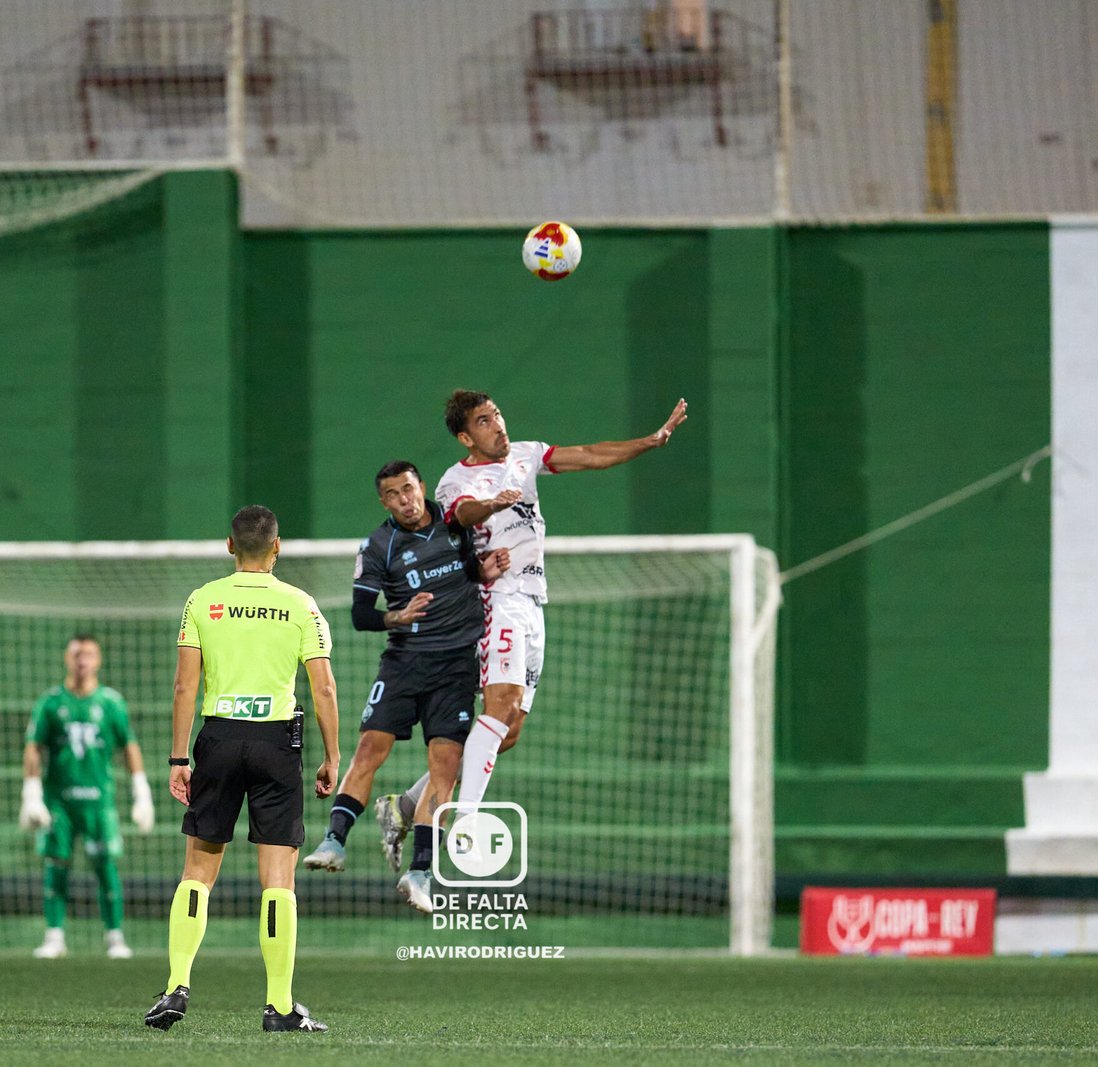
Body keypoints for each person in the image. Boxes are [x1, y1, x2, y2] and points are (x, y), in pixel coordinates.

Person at [379, 390, 689, 873]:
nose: (498, 425)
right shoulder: (455, 480)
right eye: (484, 421)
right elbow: (461, 514)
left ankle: (402, 806)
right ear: (466, 437)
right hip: (494, 598)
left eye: (498, 414)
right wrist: (490, 504)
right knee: (499, 707)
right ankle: (467, 819)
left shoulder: (526, 455)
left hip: (530, 601)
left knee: (507, 732)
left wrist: (650, 441)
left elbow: (589, 455)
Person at [144, 505, 340, 1034]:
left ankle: (176, 986)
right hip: (277, 743)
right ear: (277, 546)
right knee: (278, 881)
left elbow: (184, 686)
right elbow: (323, 687)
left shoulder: (202, 600)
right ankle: (279, 1006)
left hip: (219, 739)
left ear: (230, 546)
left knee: (197, 872)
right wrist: (332, 756)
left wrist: (179, 758)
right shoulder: (300, 604)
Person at [300, 460, 509, 912]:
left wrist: (484, 572)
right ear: (384, 502)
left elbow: (467, 573)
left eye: (409, 489)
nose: (404, 500)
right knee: (369, 748)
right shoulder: (378, 546)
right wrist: (397, 615)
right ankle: (334, 841)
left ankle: (420, 873)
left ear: (421, 487)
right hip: (404, 662)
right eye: (393, 495)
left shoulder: (455, 526)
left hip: (455, 667)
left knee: (444, 767)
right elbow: (361, 614)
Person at [19, 633, 153, 960]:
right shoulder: (51, 702)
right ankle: (54, 936)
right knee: (56, 865)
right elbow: (34, 748)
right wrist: (32, 795)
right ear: (68, 659)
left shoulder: (111, 703)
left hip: (99, 802)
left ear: (99, 660)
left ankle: (115, 936)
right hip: (60, 802)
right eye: (77, 654)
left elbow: (129, 746)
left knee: (106, 866)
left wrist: (141, 792)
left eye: (89, 655)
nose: (83, 661)